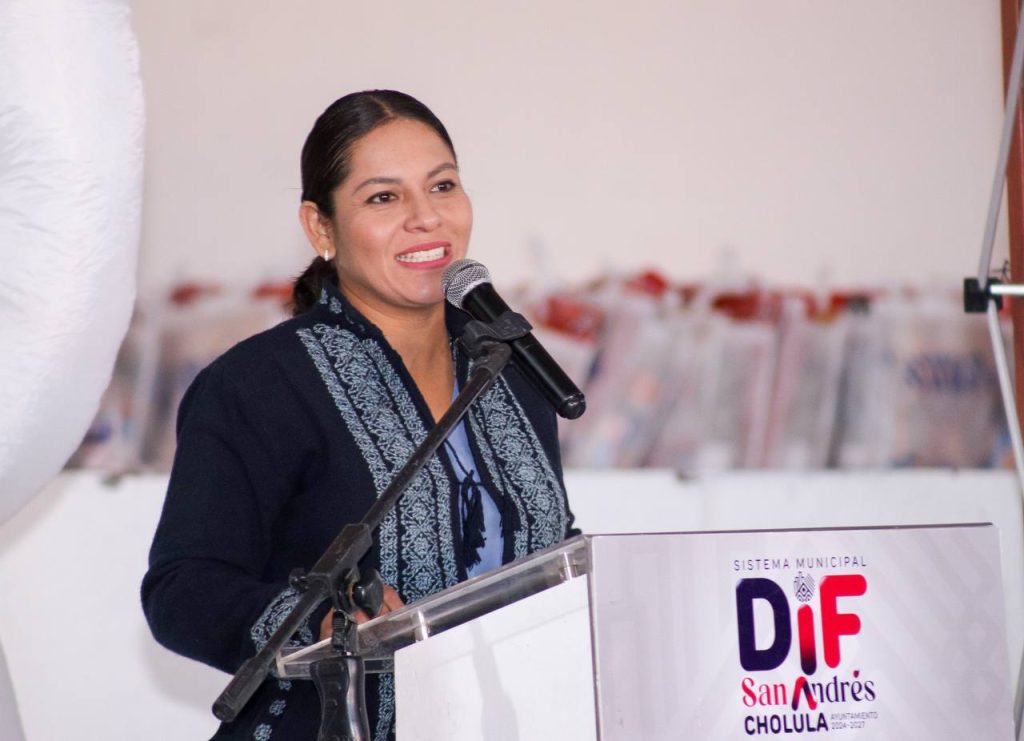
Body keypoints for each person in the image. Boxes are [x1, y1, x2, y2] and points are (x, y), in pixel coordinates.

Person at [141, 90, 577, 741]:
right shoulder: (259, 385)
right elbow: (183, 591)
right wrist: (321, 620)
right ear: (321, 228)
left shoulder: (508, 371)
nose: (426, 217)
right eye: (383, 197)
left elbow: (546, 554)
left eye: (442, 186)